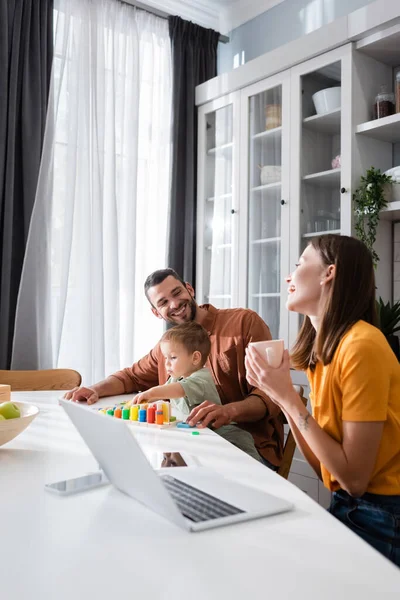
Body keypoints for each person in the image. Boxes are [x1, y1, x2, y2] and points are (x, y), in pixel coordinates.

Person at [245, 234, 400, 566]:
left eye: (300, 264)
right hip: (351, 506)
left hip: (382, 516)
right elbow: (329, 469)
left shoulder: (362, 346)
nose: (290, 275)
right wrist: (282, 398)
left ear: (329, 273)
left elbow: (355, 480)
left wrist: (288, 396)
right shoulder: (324, 354)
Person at [64, 268, 283, 468]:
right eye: (163, 302)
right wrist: (94, 390)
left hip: (248, 450)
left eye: (177, 293)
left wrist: (229, 411)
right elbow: (131, 377)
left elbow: (273, 393)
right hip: (188, 450)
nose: (174, 304)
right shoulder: (167, 348)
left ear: (190, 289)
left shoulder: (243, 322)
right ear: (156, 313)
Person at [127, 321, 261, 461]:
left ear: (195, 358)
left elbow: (178, 390)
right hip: (202, 435)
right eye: (165, 357)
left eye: (172, 357)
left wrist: (151, 393)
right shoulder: (176, 379)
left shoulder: (201, 378)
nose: (166, 363)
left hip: (226, 434)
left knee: (250, 467)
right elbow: (163, 393)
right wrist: (140, 401)